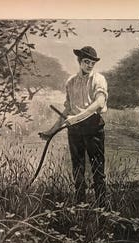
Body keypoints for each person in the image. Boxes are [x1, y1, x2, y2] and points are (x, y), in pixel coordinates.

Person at [39, 46, 108, 207]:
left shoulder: (98, 79)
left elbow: (99, 103)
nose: (90, 65)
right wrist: (51, 131)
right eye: (86, 61)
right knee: (78, 168)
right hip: (75, 130)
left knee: (98, 169)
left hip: (93, 127)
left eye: (92, 62)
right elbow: (67, 109)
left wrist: (76, 118)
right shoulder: (71, 82)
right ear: (79, 61)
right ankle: (80, 205)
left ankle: (102, 206)